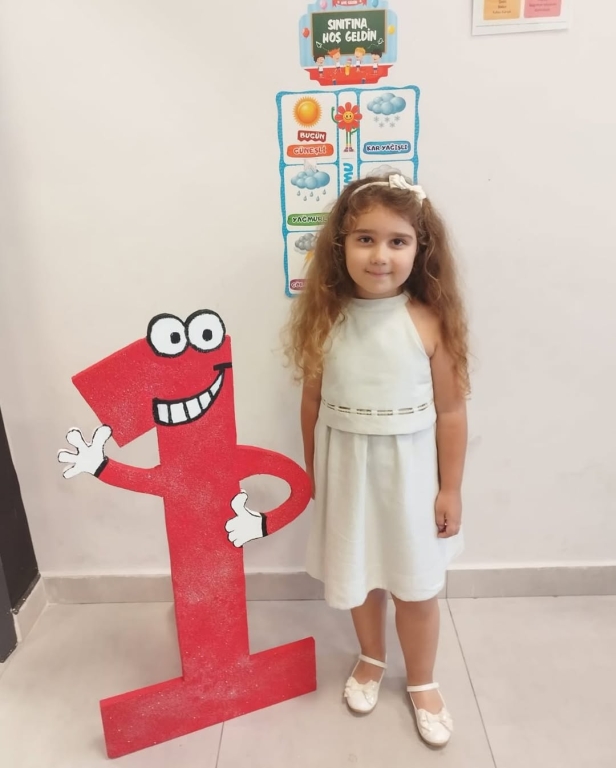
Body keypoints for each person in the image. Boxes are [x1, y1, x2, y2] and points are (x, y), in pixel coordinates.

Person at [284, 174, 469, 748]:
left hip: (410, 480)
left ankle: (422, 680)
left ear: (420, 248)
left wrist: (450, 489)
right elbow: (311, 405)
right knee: (360, 575)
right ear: (341, 245)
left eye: (397, 241)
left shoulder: (427, 321)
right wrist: (314, 474)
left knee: (415, 587)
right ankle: (370, 656)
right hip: (348, 474)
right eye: (365, 239)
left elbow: (451, 413)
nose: (380, 255)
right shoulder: (327, 319)